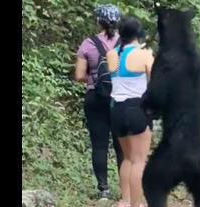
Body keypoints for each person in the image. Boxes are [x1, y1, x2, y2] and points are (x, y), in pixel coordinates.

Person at [74, 4, 123, 201]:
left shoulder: (88, 44)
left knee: (99, 145)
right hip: (121, 97)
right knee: (122, 146)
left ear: (98, 21)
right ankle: (126, 190)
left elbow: (79, 76)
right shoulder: (126, 43)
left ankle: (103, 189)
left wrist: (95, 80)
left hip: (95, 97)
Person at [106, 16, 154, 207]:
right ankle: (136, 204)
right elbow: (155, 81)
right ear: (139, 33)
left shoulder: (112, 54)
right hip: (136, 109)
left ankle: (125, 200)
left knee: (126, 157)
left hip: (116, 109)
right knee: (139, 161)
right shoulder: (144, 55)